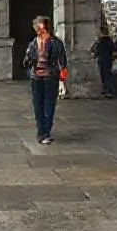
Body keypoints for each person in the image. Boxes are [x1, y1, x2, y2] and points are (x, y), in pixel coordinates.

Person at [22, 16, 67, 144]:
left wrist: (62, 81)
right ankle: (41, 132)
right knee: (38, 105)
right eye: (35, 26)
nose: (36, 28)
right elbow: (27, 60)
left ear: (45, 26)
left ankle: (45, 132)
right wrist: (29, 66)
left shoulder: (56, 43)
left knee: (49, 106)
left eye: (39, 25)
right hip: (36, 78)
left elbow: (62, 63)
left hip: (50, 77)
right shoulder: (33, 43)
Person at [90, 31, 117, 98]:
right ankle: (110, 91)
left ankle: (106, 91)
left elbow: (92, 51)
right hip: (108, 61)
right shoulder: (110, 42)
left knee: (103, 76)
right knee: (108, 75)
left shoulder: (100, 43)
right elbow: (114, 50)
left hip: (101, 61)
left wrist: (95, 43)